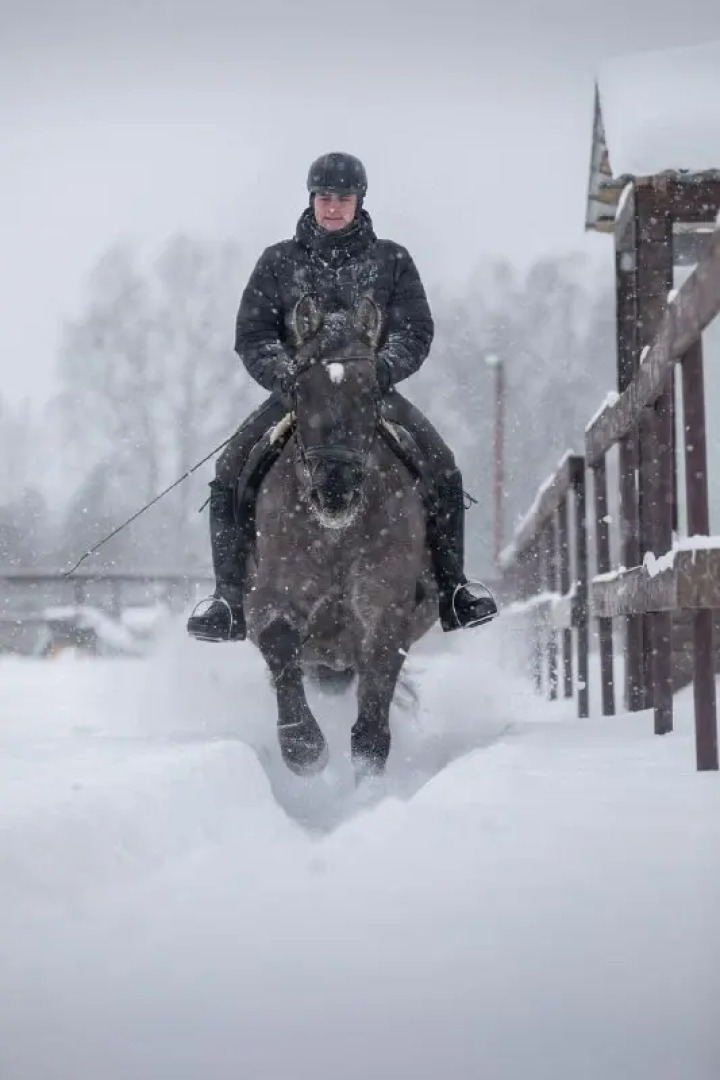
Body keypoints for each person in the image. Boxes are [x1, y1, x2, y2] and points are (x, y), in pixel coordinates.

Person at [187, 151, 496, 642]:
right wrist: (286, 375)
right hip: (298, 396)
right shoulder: (278, 262)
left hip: (369, 396)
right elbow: (253, 334)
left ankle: (454, 590)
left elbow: (415, 330)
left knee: (442, 462)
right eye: (325, 198)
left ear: (359, 201)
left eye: (343, 198)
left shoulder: (390, 260)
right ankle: (228, 598)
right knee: (230, 468)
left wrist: (382, 370)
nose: (333, 207)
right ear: (312, 199)